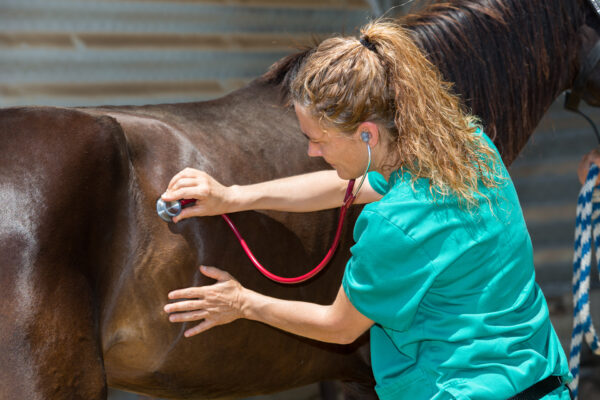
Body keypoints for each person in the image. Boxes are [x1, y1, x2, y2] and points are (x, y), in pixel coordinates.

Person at [161, 20, 571, 399]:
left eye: (319, 140)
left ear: (367, 134)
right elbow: (349, 186)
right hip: (542, 380)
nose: (311, 152)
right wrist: (233, 196)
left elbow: (339, 327)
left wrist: (241, 302)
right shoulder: (467, 145)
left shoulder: (395, 225)